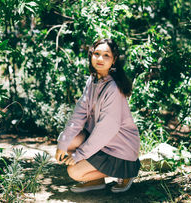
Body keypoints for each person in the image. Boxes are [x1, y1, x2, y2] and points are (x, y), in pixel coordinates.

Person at [55, 38, 141, 193]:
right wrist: (63, 141)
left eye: (106, 55)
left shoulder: (113, 88)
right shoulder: (93, 80)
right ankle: (97, 179)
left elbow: (105, 131)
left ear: (114, 60)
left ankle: (125, 172)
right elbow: (79, 114)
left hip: (119, 149)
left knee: (74, 172)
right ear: (91, 56)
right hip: (100, 141)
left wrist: (79, 155)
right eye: (97, 54)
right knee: (67, 142)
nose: (100, 58)